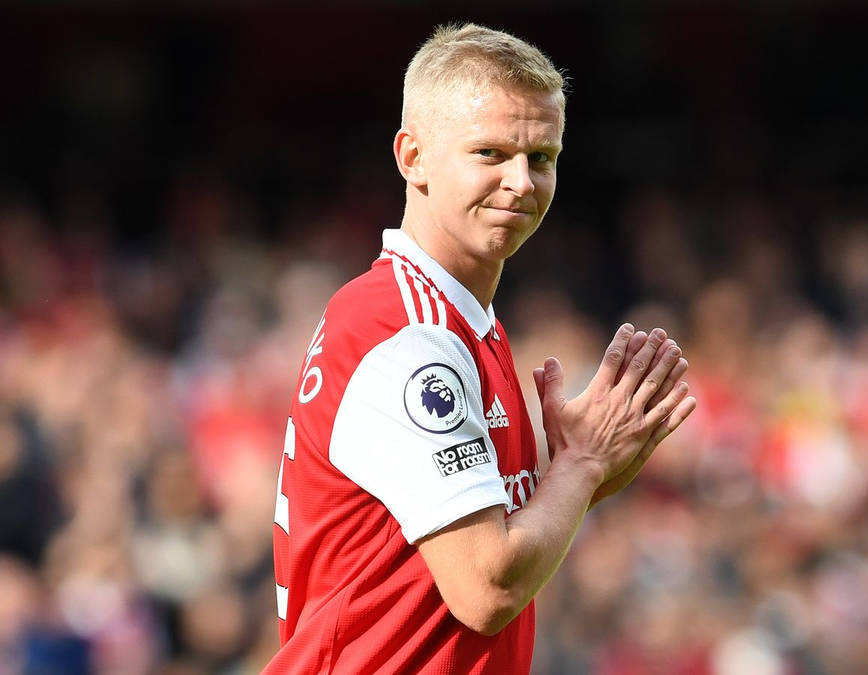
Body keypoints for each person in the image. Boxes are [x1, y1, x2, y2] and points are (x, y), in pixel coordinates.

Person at [263, 23, 696, 674]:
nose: (521, 182)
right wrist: (581, 467)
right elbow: (486, 587)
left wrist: (581, 472)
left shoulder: (459, 322)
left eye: (541, 157)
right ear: (413, 157)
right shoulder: (410, 334)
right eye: (490, 153)